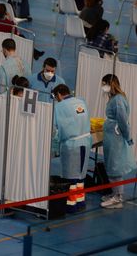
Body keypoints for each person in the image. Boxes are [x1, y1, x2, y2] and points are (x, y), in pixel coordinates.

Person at [52, 84, 91, 213]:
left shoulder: (59, 107)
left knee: (71, 176)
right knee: (81, 175)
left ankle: (71, 204)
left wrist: (55, 145)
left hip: (71, 145)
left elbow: (55, 129)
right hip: (86, 141)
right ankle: (80, 202)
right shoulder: (81, 101)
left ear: (58, 95)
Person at [100, 74, 136, 209]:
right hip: (111, 137)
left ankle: (118, 198)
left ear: (111, 84)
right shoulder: (114, 98)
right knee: (111, 165)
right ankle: (115, 193)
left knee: (115, 167)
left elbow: (122, 121)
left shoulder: (118, 100)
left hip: (115, 137)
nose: (103, 86)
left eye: (104, 83)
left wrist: (127, 137)